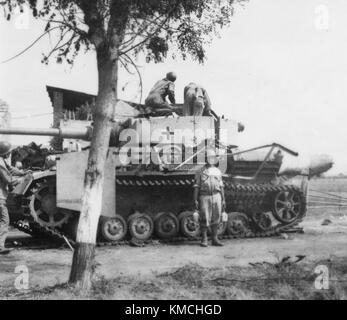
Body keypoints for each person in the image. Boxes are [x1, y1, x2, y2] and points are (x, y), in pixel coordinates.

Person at [193, 148, 226, 247]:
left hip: (217, 196)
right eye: (209, 157)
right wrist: (195, 199)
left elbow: (221, 186)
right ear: (205, 159)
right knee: (204, 217)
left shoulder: (218, 171)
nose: (211, 159)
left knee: (216, 217)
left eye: (212, 157)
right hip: (204, 196)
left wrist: (223, 199)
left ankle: (215, 239)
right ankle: (204, 239)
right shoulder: (200, 171)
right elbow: (196, 186)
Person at [0, 141, 26, 255]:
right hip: (0, 197)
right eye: (9, 152)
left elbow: (10, 169)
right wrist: (23, 180)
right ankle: (0, 247)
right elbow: (9, 180)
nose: (10, 154)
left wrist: (22, 172)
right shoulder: (0, 163)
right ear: (5, 153)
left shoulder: (2, 161)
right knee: (5, 221)